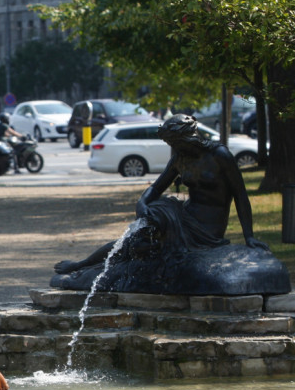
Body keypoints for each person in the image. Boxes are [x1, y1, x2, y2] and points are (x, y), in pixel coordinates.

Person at [54, 114, 268, 283]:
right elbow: (156, 188)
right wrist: (142, 202)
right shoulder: (180, 158)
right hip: (185, 217)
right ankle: (83, 266)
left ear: (187, 139)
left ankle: (89, 269)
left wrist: (248, 236)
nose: (171, 148)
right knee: (137, 240)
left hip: (207, 229)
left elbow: (241, 196)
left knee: (151, 239)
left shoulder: (219, 155)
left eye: (173, 142)